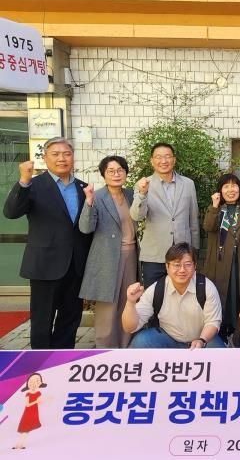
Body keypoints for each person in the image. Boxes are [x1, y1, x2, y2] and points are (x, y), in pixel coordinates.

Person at [3, 137, 92, 349]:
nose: (62, 158)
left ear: (73, 157)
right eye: (56, 154)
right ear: (45, 158)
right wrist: (23, 180)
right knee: (42, 321)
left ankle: (62, 360)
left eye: (67, 154)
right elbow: (11, 212)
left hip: (75, 266)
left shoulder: (83, 187)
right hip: (44, 265)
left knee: (70, 319)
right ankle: (41, 363)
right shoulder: (33, 185)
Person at [78, 156, 137, 348]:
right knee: (107, 306)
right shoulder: (97, 197)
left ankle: (125, 345)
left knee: (128, 301)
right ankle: (105, 347)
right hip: (107, 257)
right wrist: (88, 202)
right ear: (103, 174)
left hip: (132, 256)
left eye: (120, 170)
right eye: (111, 171)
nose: (116, 174)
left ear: (126, 173)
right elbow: (86, 228)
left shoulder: (131, 194)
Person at [122, 242, 224, 349]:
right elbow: (129, 327)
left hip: (201, 339)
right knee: (141, 341)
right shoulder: (157, 289)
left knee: (219, 351)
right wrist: (130, 302)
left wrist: (202, 340)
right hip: (168, 339)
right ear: (167, 266)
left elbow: (213, 322)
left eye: (188, 264)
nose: (182, 270)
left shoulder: (206, 287)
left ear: (195, 266)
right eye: (176, 264)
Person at [129, 143, 200, 288]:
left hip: (183, 255)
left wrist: (194, 252)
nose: (163, 161)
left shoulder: (188, 184)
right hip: (154, 255)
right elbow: (137, 216)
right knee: (154, 296)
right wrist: (142, 193)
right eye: (158, 157)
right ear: (152, 161)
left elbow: (193, 220)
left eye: (167, 156)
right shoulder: (143, 184)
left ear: (174, 159)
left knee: (183, 296)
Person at [203, 173, 240, 342]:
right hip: (219, 263)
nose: (231, 190)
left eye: (234, 186)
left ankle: (238, 331)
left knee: (239, 295)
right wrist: (215, 206)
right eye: (226, 186)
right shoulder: (216, 209)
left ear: (239, 189)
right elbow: (208, 227)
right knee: (221, 296)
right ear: (220, 191)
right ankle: (220, 331)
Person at [13, 372, 47, 450]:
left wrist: (44, 400)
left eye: (37, 381)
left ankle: (18, 445)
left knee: (26, 431)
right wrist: (36, 401)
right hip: (28, 413)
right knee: (25, 431)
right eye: (31, 381)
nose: (34, 383)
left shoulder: (38, 393)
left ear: (41, 383)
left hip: (34, 412)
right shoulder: (28, 394)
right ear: (27, 383)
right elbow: (27, 405)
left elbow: (40, 402)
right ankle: (18, 445)